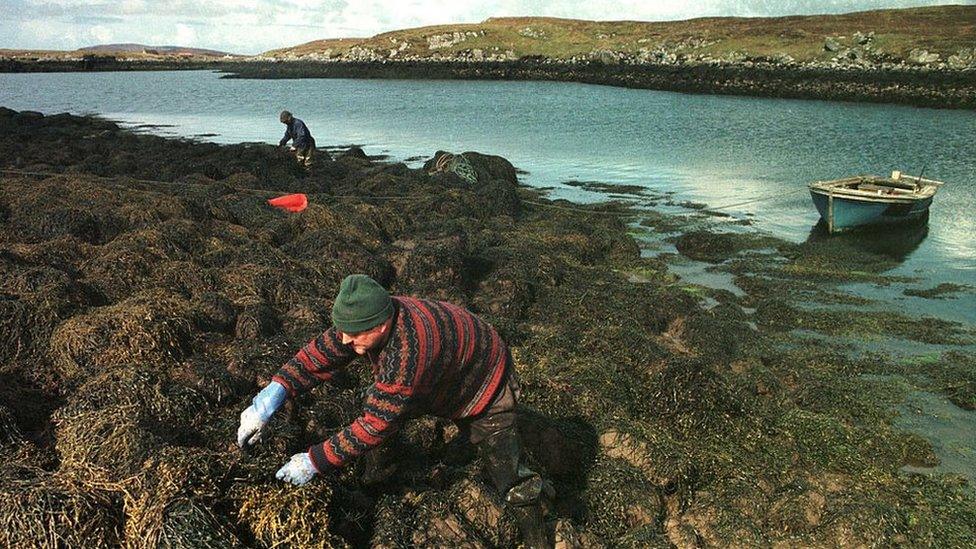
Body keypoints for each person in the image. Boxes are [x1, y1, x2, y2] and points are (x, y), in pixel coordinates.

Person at [237, 274, 551, 548]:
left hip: (483, 375)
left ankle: (538, 538)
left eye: (355, 334)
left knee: (506, 469)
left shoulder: (408, 353)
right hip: (442, 371)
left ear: (383, 324)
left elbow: (376, 424)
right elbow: (321, 354)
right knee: (375, 401)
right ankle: (379, 482)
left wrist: (314, 461)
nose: (347, 339)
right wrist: (271, 396)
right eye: (344, 330)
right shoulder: (366, 315)